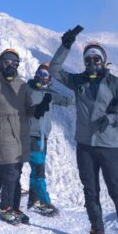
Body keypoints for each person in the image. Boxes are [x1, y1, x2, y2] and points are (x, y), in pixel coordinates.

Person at [49, 26, 118, 234]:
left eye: (96, 59)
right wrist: (65, 46)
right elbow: (54, 69)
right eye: (88, 60)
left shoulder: (115, 84)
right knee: (91, 191)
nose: (92, 64)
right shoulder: (79, 81)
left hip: (108, 146)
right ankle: (97, 232)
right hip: (85, 146)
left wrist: (114, 118)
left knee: (116, 190)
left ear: (103, 60)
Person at [0, 48, 51, 225]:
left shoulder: (22, 85)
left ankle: (15, 207)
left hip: (21, 133)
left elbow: (28, 109)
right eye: (6, 63)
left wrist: (39, 108)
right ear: (0, 64)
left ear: (18, 65)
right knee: (10, 172)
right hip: (3, 133)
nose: (10, 66)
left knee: (17, 172)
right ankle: (6, 209)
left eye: (14, 63)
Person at [26, 62, 73, 216]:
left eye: (45, 74)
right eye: (39, 73)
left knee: (36, 169)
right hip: (31, 136)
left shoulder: (50, 94)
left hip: (43, 137)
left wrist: (82, 89)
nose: (41, 76)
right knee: (39, 171)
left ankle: (33, 201)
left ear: (50, 78)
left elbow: (67, 101)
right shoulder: (28, 90)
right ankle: (45, 201)